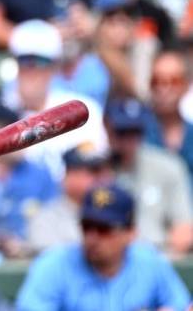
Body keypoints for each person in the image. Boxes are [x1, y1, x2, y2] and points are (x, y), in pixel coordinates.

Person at [16, 184, 191, 311]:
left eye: (104, 229)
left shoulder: (149, 262)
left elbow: (181, 304)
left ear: (130, 233)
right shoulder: (53, 265)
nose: (92, 237)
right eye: (87, 226)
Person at [1, 20, 107, 179]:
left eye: (41, 61)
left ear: (55, 66)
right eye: (24, 61)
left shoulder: (80, 110)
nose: (32, 69)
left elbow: (95, 170)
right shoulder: (0, 108)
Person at [104, 98, 193, 255]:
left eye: (135, 132)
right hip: (108, 259)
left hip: (157, 255)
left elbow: (184, 230)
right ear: (108, 128)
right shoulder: (94, 168)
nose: (129, 141)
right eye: (122, 132)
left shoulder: (167, 166)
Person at [0, 102, 59, 242]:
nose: (17, 139)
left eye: (17, 133)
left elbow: (54, 218)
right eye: (5, 133)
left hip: (30, 250)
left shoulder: (40, 175)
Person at [27, 142, 109, 252]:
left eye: (105, 170)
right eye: (94, 171)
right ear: (69, 176)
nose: (103, 177)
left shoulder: (114, 211)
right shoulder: (46, 219)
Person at [144, 49, 193, 188]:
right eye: (156, 81)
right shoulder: (133, 133)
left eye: (174, 81)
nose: (164, 88)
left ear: (186, 85)